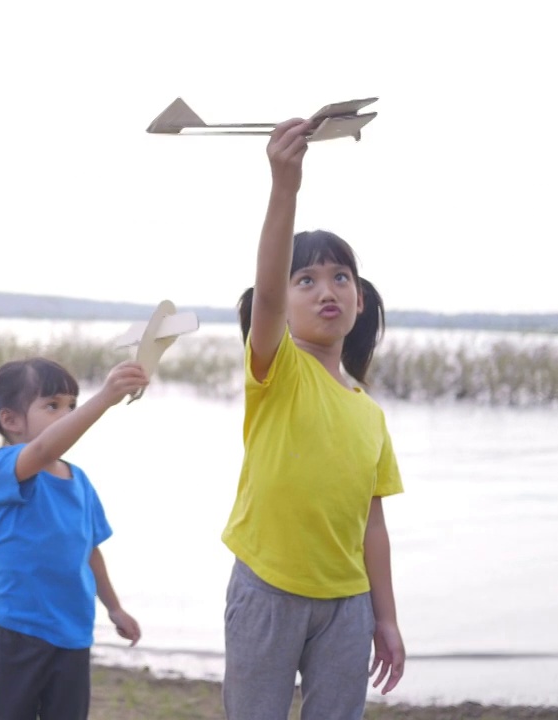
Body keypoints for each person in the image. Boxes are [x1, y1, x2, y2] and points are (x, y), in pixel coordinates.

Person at [220, 118, 406, 720]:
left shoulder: (369, 413)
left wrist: (386, 617)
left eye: (340, 277)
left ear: (359, 300)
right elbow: (266, 296)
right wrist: (284, 186)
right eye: (307, 279)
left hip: (347, 604)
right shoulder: (278, 372)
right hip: (268, 590)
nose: (326, 289)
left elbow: (372, 526)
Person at [0, 356, 148, 720]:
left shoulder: (78, 480)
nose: (66, 415)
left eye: (71, 406)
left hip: (73, 632)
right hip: (20, 631)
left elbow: (90, 550)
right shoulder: (7, 466)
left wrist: (113, 606)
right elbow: (44, 450)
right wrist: (104, 398)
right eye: (52, 406)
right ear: (11, 420)